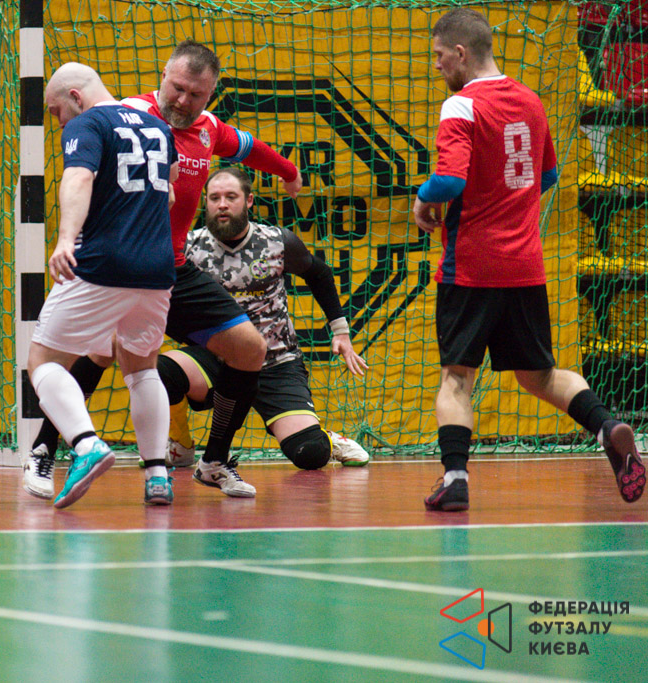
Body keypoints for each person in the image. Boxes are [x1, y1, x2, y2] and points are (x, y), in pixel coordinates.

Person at [23, 40, 303, 501]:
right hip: (135, 263)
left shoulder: (207, 129)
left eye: (196, 95)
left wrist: (288, 171)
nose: (184, 101)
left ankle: (211, 461)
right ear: (164, 77)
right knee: (102, 352)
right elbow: (95, 177)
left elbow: (250, 148)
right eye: (177, 89)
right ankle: (45, 450)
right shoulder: (132, 114)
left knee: (250, 349)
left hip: (169, 269)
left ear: (210, 95)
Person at [413, 8, 644, 511]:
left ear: (460, 53)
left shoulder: (460, 105)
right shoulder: (531, 101)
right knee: (539, 376)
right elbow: (548, 176)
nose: (437, 65)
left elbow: (449, 181)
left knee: (457, 378)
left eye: (439, 55)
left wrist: (422, 200)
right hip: (525, 266)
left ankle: (455, 478)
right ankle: (606, 426)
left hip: (471, 267)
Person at [30, 62, 177, 508]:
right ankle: (157, 475)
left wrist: (65, 239)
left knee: (42, 361)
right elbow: (169, 195)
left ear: (75, 97)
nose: (59, 122)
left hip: (103, 261)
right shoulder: (159, 127)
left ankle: (86, 444)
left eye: (57, 111)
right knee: (142, 368)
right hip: (157, 268)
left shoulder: (88, 123)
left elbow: (78, 177)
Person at [160, 167, 369, 476]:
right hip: (214, 358)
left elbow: (320, 274)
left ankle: (326, 438)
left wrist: (340, 331)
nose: (222, 204)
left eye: (231, 197)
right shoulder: (187, 248)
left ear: (249, 201)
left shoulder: (277, 242)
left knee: (310, 454)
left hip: (276, 362)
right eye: (214, 198)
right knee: (160, 371)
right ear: (204, 202)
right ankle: (180, 444)